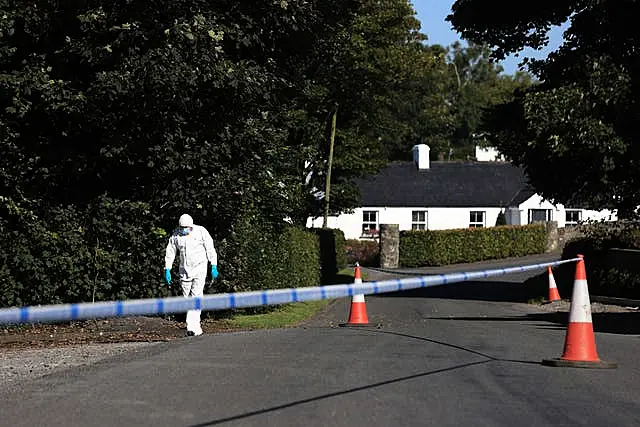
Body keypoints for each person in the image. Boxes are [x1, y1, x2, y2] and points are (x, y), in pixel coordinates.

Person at [164, 214, 219, 336]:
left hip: (200, 267)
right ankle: (192, 326)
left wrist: (213, 265)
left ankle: (193, 327)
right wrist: (167, 268)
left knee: (196, 296)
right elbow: (170, 252)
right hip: (184, 271)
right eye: (182, 227)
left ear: (191, 225)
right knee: (187, 298)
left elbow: (210, 248)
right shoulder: (176, 235)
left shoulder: (201, 231)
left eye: (187, 227)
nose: (185, 229)